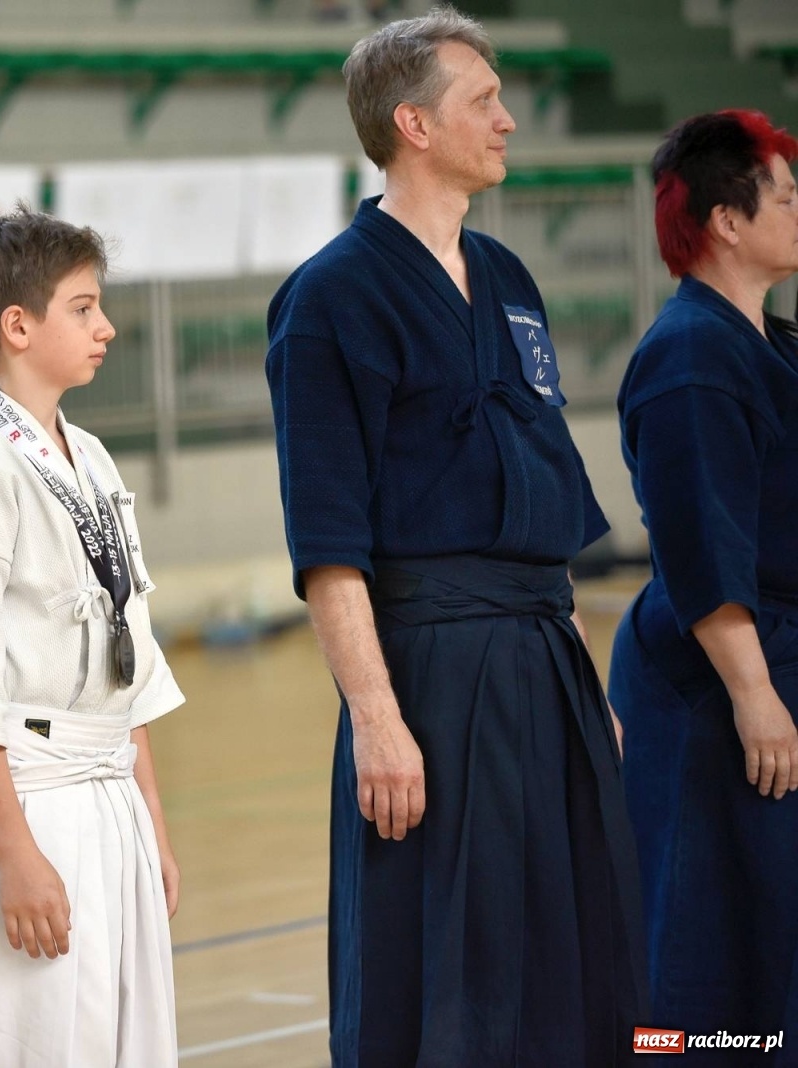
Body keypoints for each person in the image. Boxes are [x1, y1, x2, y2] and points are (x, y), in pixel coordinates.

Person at [266, 7, 647, 1064]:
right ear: (413, 125)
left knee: (580, 938)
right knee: (451, 960)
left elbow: (540, 510)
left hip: (542, 656)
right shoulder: (328, 300)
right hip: (429, 665)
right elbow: (328, 544)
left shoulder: (511, 281)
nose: (510, 120)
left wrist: (583, 680)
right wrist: (377, 720)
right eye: (484, 100)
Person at [0, 207, 184, 1066]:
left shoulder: (90, 456)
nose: (107, 326)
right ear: (18, 326)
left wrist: (152, 823)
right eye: (84, 308)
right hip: (22, 801)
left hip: (108, 794)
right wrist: (15, 857)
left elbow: (131, 653)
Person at [608, 110, 798, 1050]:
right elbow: (702, 547)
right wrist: (756, 695)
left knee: (776, 929)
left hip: (773, 658)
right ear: (727, 219)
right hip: (716, 682)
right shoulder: (691, 357)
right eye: (786, 197)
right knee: (704, 936)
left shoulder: (772, 341)